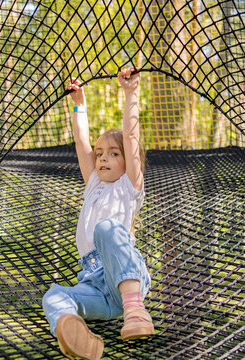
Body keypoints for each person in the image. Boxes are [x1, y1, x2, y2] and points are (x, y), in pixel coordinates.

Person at [42, 67, 154, 360]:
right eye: (100, 152)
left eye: (113, 153)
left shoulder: (129, 185)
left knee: (106, 228)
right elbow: (81, 142)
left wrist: (131, 94)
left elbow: (130, 136)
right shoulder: (93, 182)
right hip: (93, 286)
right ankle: (79, 339)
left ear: (128, 161)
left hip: (124, 278)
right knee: (54, 295)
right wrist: (79, 104)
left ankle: (136, 312)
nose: (103, 157)